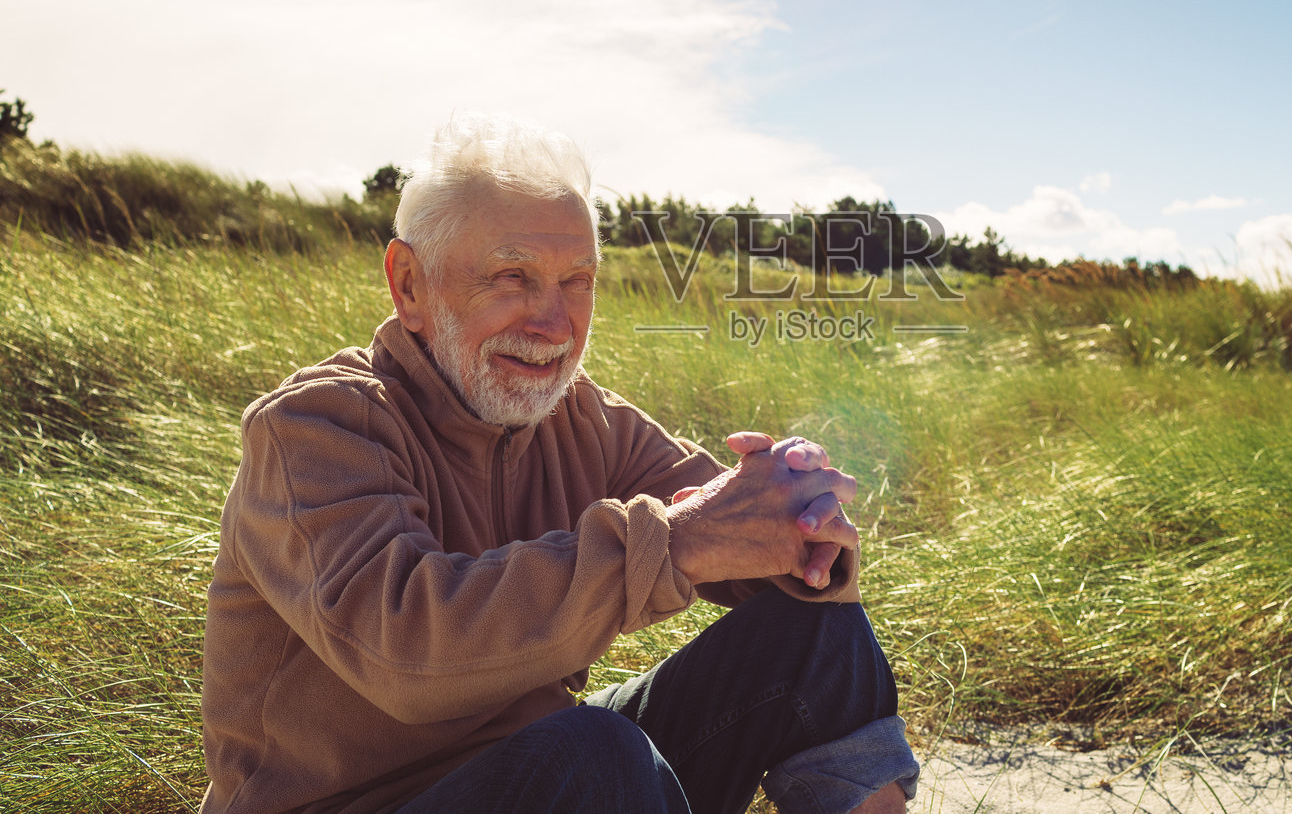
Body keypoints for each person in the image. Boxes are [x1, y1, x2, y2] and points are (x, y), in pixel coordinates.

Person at [199, 114, 919, 814]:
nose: (554, 322)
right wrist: (687, 539)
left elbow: (720, 511)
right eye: (511, 276)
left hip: (539, 769)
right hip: (366, 800)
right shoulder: (313, 427)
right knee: (595, 755)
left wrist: (798, 527)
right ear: (410, 284)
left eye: (578, 279)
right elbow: (405, 654)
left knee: (816, 636)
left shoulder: (582, 417)